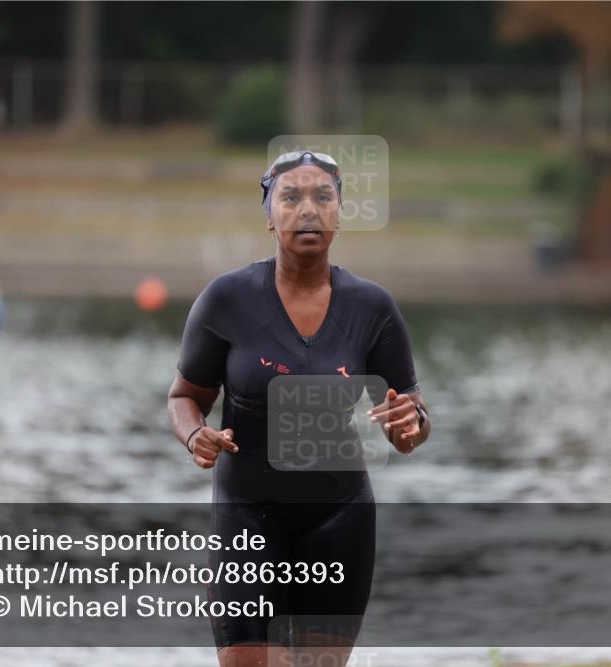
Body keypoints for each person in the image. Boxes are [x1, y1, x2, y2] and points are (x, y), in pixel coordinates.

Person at [167, 151, 431, 667]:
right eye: (290, 197)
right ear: (269, 215)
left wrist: (411, 425)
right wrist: (194, 434)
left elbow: (410, 422)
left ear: (338, 213)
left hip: (341, 518)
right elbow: (184, 397)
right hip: (246, 515)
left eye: (322, 197)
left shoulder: (372, 308)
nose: (307, 209)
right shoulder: (226, 299)